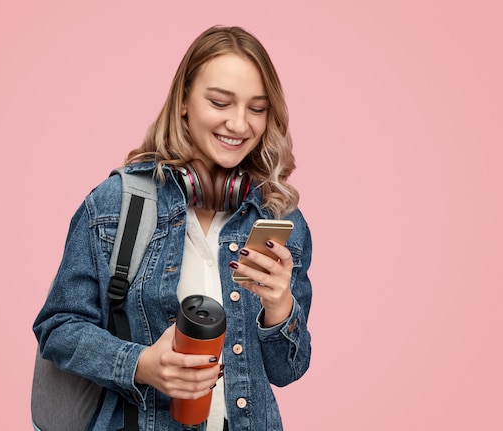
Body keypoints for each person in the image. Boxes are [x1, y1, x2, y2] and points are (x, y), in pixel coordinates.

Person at [33, 25, 313, 431]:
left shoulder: (280, 219)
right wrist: (141, 365)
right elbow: (57, 329)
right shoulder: (116, 204)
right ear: (183, 101)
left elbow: (288, 370)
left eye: (257, 108)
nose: (239, 124)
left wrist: (279, 307)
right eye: (220, 102)